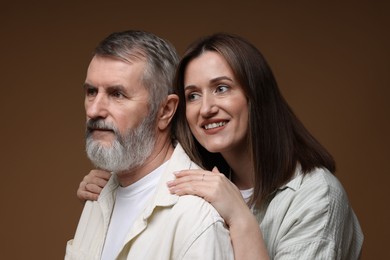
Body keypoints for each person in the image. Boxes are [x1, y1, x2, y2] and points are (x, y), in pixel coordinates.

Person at [78, 33, 364, 259]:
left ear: (256, 95)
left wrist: (240, 217)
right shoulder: (202, 176)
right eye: (193, 95)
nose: (206, 108)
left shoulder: (317, 196)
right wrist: (117, 181)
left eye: (221, 88)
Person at [66, 30, 234, 260]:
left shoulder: (197, 217)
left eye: (117, 94)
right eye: (91, 92)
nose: (94, 110)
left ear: (165, 110)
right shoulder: (97, 197)